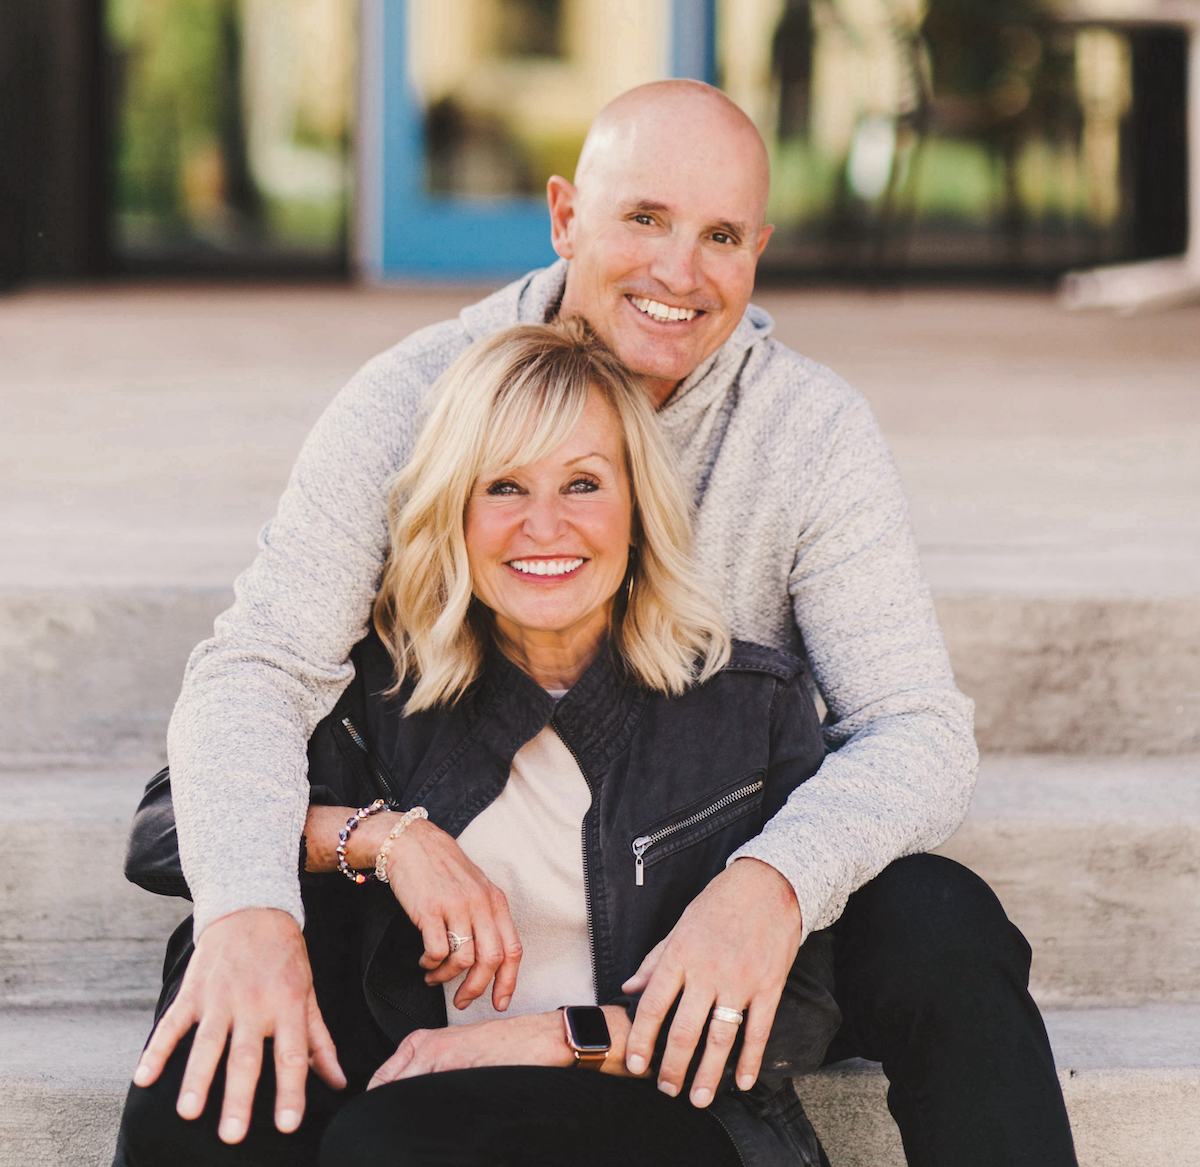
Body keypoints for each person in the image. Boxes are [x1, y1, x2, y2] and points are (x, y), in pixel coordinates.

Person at [132, 80, 1077, 1166]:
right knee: (238, 948)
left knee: (934, 915)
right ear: (564, 216)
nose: (681, 273)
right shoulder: (416, 398)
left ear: (759, 249)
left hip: (701, 870)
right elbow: (254, 676)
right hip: (441, 844)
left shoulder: (806, 438)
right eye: (644, 219)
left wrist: (766, 887)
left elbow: (917, 730)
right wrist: (262, 906)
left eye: (721, 235)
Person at [118, 321, 841, 1166]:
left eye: (582, 483)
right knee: (233, 1056)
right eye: (504, 486)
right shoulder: (377, 693)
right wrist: (388, 839)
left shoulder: (745, 706)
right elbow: (165, 830)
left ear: (639, 509)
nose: (544, 525)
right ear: (453, 512)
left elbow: (807, 1004)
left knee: (390, 1140)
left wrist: (551, 1039)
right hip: (415, 1099)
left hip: (646, 1102)